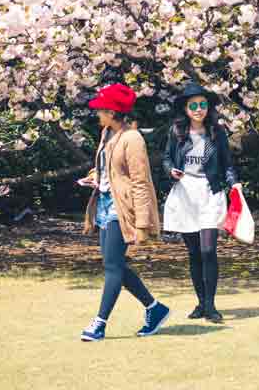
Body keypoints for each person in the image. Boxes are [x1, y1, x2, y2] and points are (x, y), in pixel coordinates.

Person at [80, 82, 170, 342]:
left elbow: (141, 181)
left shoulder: (133, 138)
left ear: (113, 111)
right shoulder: (107, 134)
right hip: (106, 204)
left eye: (101, 110)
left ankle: (99, 324)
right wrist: (94, 177)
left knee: (112, 267)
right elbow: (109, 170)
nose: (97, 114)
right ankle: (155, 308)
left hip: (124, 209)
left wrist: (143, 223)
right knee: (115, 264)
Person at [162, 81, 241, 324]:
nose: (198, 109)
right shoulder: (177, 132)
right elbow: (166, 158)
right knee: (194, 252)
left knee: (208, 250)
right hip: (185, 193)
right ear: (185, 109)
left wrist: (234, 184)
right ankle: (200, 303)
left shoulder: (217, 133)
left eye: (202, 104)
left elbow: (227, 163)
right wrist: (170, 170)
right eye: (193, 105)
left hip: (210, 192)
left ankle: (211, 304)